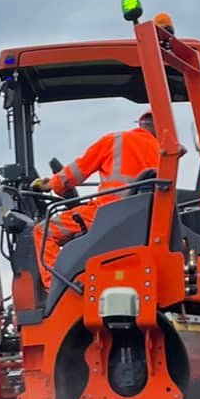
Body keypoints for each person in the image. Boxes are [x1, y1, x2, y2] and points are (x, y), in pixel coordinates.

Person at [32, 110, 167, 282]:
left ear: (140, 125)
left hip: (106, 214)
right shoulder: (165, 154)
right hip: (146, 220)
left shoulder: (115, 140)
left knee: (43, 232)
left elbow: (76, 172)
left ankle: (56, 288)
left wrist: (51, 184)